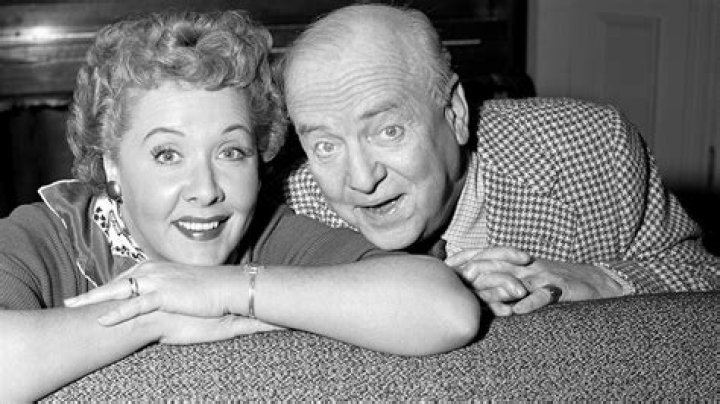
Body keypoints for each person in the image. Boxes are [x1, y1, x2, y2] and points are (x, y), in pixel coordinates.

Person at [0, 10, 481, 401]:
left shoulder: (268, 235)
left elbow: (445, 311)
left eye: (231, 152)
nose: (206, 190)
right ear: (112, 165)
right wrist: (156, 313)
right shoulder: (46, 235)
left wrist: (224, 291)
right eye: (167, 155)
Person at [279, 4, 719, 317]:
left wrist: (607, 282)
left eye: (388, 131)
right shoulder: (291, 204)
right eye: (326, 146)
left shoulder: (592, 148)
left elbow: (702, 279)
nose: (361, 179)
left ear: (455, 113)